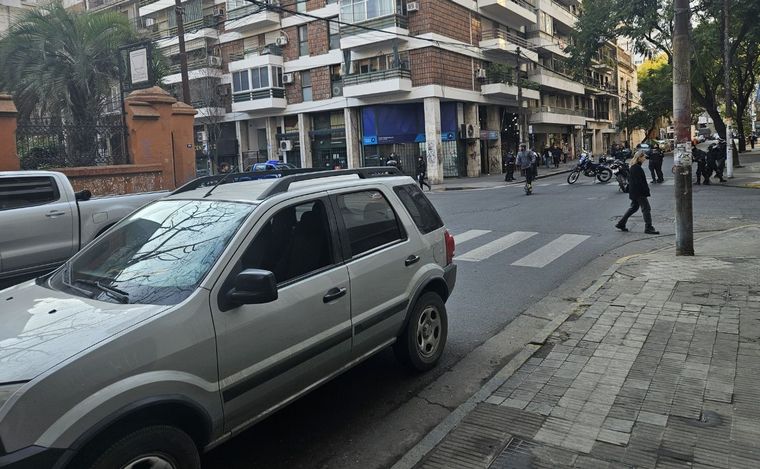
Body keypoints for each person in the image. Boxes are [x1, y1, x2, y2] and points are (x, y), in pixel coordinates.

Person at [615, 151, 659, 234]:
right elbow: (639, 183)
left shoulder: (635, 167)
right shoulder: (636, 168)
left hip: (635, 192)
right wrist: (644, 192)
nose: (645, 159)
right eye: (644, 157)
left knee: (633, 208)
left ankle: (621, 223)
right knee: (646, 209)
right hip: (639, 192)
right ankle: (648, 227)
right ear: (639, 158)